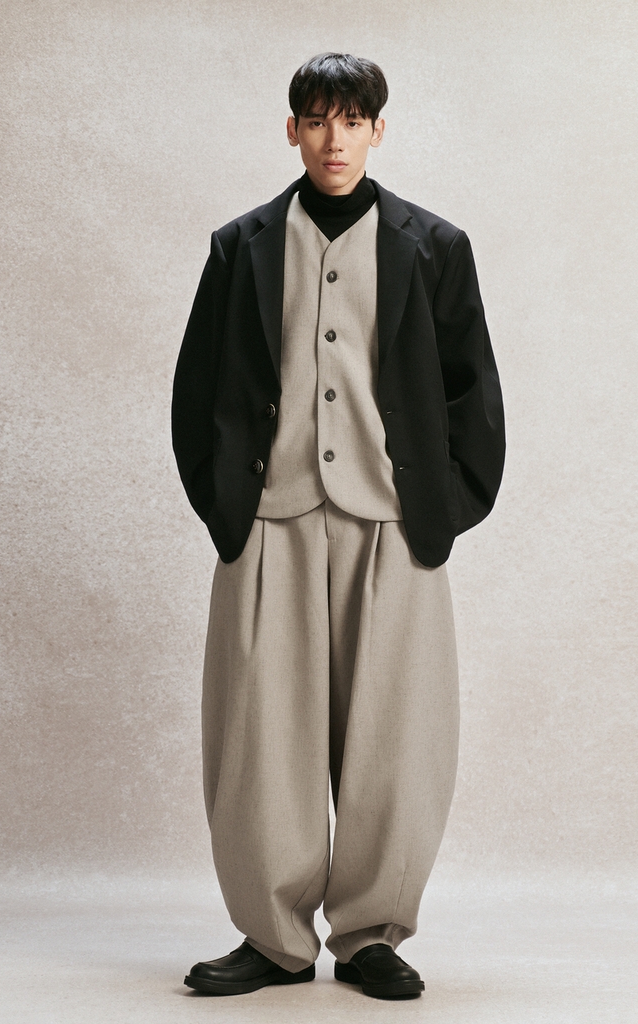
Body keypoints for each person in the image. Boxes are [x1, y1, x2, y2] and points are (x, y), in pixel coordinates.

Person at [172, 52, 505, 1000]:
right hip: (269, 520)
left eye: (351, 121)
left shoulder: (433, 246)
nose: (334, 139)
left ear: (377, 131)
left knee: (397, 737)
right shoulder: (239, 247)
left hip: (392, 524)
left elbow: (473, 389)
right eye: (316, 120)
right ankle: (273, 939)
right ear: (292, 130)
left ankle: (368, 935)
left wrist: (441, 507)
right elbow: (197, 390)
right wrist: (227, 509)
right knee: (259, 737)